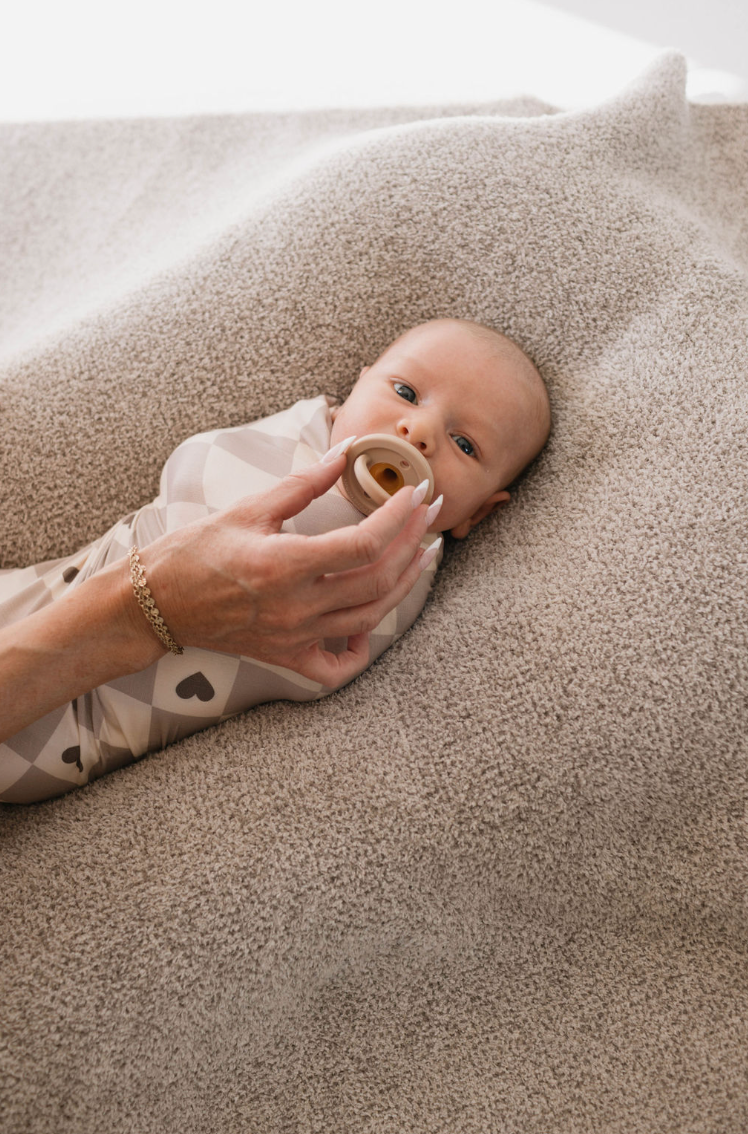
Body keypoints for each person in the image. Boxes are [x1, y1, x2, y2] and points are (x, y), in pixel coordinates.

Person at [0, 317, 551, 803]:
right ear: (353, 390)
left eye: (466, 444)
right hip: (45, 594)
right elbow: (189, 474)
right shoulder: (302, 433)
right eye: (405, 391)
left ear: (476, 516)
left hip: (69, 732)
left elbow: (316, 662)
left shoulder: (406, 569)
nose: (421, 432)